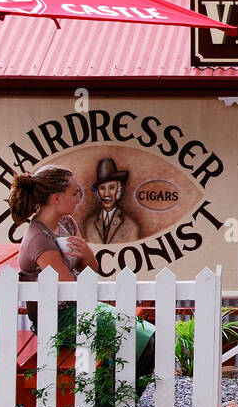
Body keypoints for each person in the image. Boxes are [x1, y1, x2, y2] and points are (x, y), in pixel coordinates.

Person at [9, 164, 156, 387]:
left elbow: (91, 269)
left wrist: (86, 252)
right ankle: (108, 402)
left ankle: (112, 398)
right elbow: (71, 289)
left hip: (79, 308)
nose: (79, 198)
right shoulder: (39, 239)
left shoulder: (66, 223)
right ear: (56, 198)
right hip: (59, 319)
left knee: (147, 339)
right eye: (74, 193)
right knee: (146, 341)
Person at [81, 157, 143, 245]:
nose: (106, 194)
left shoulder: (131, 226)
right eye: (102, 188)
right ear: (98, 192)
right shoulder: (90, 224)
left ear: (118, 190)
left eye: (111, 188)